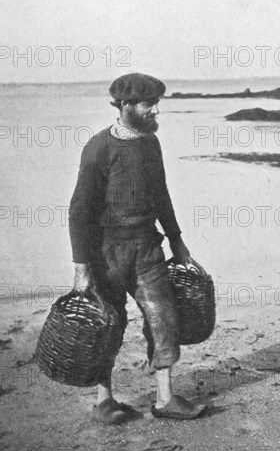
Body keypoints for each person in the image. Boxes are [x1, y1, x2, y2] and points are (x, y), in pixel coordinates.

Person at [69, 73, 207, 422]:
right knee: (109, 324)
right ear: (126, 106)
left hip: (148, 248)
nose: (156, 111)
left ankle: (164, 400)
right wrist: (82, 266)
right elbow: (79, 212)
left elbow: (161, 195)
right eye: (149, 105)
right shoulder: (99, 147)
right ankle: (104, 401)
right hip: (107, 253)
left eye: (157, 104)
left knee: (164, 318)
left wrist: (177, 239)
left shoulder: (150, 144)